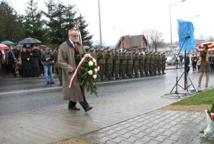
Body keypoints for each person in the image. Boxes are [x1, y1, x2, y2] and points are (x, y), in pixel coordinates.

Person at [57, 28, 92, 112]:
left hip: (80, 71)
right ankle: (85, 106)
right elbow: (60, 61)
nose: (76, 37)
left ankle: (71, 105)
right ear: (70, 36)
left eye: (77, 35)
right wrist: (70, 68)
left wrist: (88, 60)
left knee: (78, 88)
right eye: (74, 35)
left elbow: (84, 56)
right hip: (71, 72)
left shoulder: (79, 45)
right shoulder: (63, 46)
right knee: (77, 89)